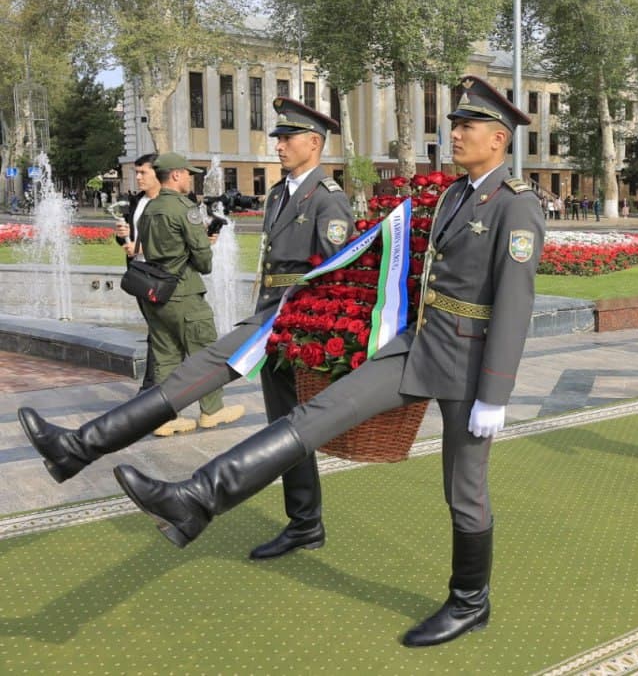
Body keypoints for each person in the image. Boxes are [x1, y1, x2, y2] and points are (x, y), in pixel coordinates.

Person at [56, 77, 539, 649]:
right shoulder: (456, 194)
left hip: (470, 361)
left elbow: (515, 303)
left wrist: (495, 394)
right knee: (314, 416)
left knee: (464, 490)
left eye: (466, 127)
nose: (454, 134)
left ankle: (470, 601)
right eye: (454, 125)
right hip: (419, 344)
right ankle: (196, 498)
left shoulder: (516, 204)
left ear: (498, 138)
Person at [19, 96, 353, 562]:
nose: (277, 145)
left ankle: (77, 446)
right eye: (277, 138)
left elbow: (336, 274)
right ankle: (305, 523)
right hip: (272, 317)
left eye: (287, 138)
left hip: (294, 323)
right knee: (282, 426)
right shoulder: (281, 193)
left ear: (314, 143)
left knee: (204, 373)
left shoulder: (328, 198)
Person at [137, 153, 245, 435]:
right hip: (184, 292)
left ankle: (164, 418)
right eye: (187, 173)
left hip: (156, 291)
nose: (190, 178)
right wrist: (206, 245)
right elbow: (203, 261)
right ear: (175, 175)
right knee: (205, 351)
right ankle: (212, 410)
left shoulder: (149, 207)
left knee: (165, 356)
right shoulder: (185, 208)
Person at [115, 153, 161, 392]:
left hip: (163, 276)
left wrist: (141, 247)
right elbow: (129, 240)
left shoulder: (168, 203)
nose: (139, 178)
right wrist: (122, 235)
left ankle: (150, 388)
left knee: (159, 331)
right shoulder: (137, 202)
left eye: (143, 172)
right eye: (137, 173)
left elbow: (173, 241)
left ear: (157, 173)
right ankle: (155, 388)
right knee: (156, 329)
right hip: (139, 274)